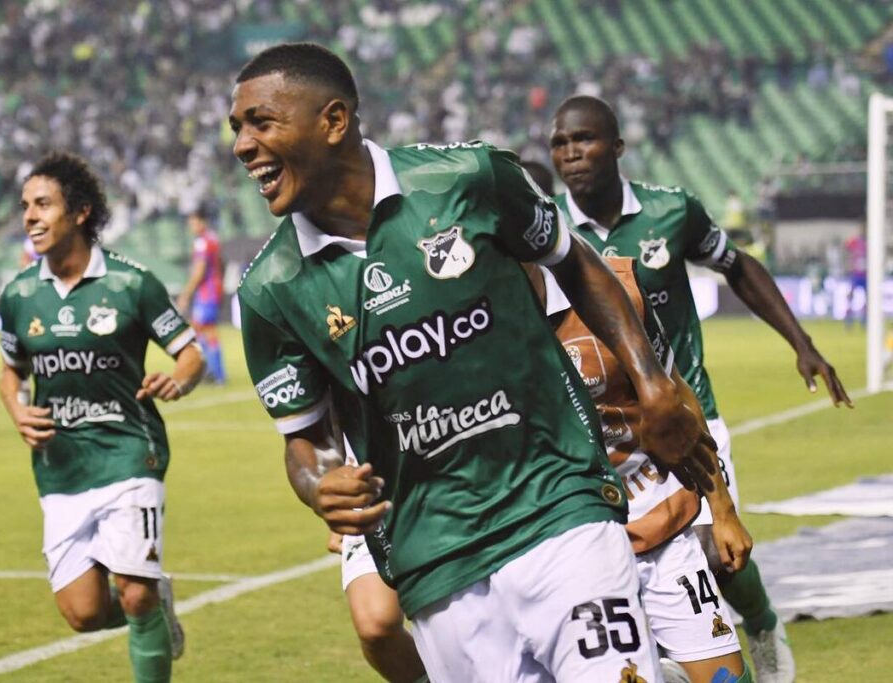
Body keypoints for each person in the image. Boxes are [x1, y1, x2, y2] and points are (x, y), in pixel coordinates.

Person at [232, 42, 716, 682]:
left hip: (557, 503)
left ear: (334, 120)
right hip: (435, 559)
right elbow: (305, 442)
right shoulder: (270, 290)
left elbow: (573, 263)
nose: (242, 145)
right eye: (237, 128)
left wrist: (652, 382)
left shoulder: (470, 179)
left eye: (260, 122)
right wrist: (321, 485)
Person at [548, 94, 852, 683]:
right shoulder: (551, 235)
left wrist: (801, 342)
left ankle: (760, 622)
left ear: (616, 145)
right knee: (615, 563)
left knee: (719, 549)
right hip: (601, 433)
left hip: (687, 412)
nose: (570, 153)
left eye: (583, 139)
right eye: (559, 144)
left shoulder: (671, 211)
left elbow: (735, 264)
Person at [0, 152, 204, 682]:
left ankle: (145, 603)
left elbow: (190, 353)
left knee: (132, 591)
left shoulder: (132, 284)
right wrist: (17, 409)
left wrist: (176, 380)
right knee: (84, 614)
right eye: (25, 207)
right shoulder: (19, 295)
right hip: (60, 467)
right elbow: (9, 372)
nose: (30, 217)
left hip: (129, 453)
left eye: (43, 204)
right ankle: (155, 608)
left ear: (81, 212)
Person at [534, 259, 753, 683]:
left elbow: (677, 396)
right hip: (571, 545)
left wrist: (722, 509)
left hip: (659, 523)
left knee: (727, 678)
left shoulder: (615, 288)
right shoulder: (481, 320)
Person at [177, 205, 226, 383]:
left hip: (206, 293)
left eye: (194, 222)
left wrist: (186, 294)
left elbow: (199, 272)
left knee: (201, 330)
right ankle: (214, 373)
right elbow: (221, 264)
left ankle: (215, 374)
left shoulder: (202, 242)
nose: (192, 226)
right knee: (204, 330)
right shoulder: (213, 238)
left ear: (202, 222)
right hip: (214, 291)